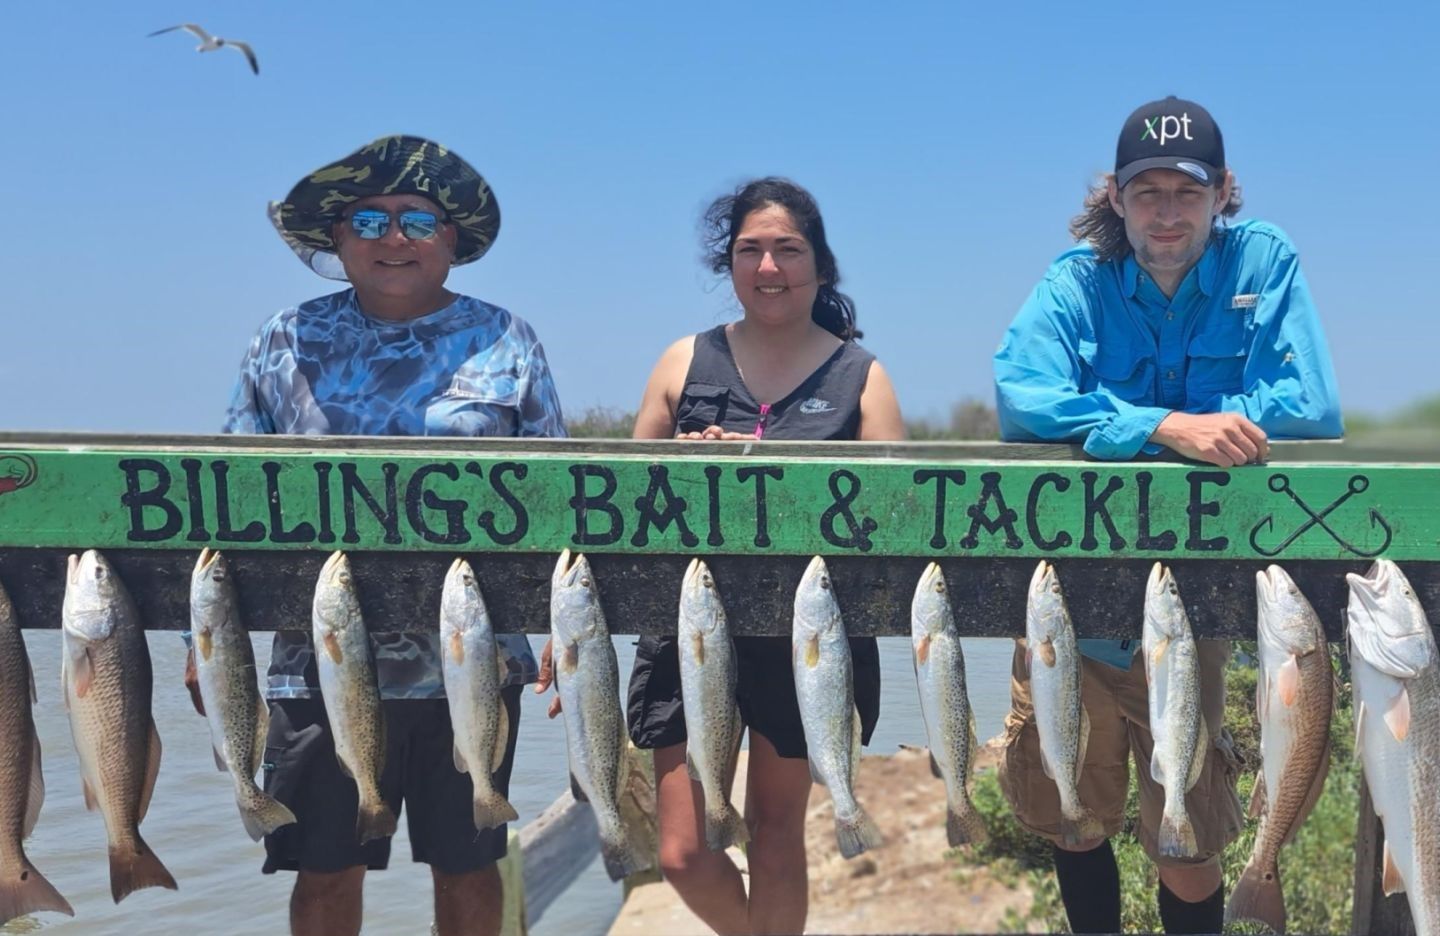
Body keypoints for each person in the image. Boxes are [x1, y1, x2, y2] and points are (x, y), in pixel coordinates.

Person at [184, 135, 566, 936]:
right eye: (369, 220)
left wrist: (562, 627)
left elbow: (556, 499)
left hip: (471, 659)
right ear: (338, 238)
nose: (394, 238)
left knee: (469, 870)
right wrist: (204, 639)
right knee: (323, 874)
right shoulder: (282, 339)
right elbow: (228, 494)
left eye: (417, 221)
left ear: (450, 239)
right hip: (311, 662)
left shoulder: (508, 339)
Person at [992, 97, 1342, 935]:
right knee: (1073, 816)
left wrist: (1133, 425)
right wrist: (1165, 426)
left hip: (1195, 603)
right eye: (1147, 192)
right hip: (1069, 603)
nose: (1167, 213)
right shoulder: (1075, 281)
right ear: (1116, 197)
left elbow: (1310, 404)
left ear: (1222, 192)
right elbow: (1022, 396)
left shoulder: (1263, 259)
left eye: (1187, 192)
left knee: (1186, 838)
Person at [537, 177, 904, 935]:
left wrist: (771, 469)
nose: (769, 267)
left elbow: (893, 524)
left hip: (807, 637)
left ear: (820, 264)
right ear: (728, 264)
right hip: (685, 629)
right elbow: (615, 512)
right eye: (750, 250)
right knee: (682, 852)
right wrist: (568, 630)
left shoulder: (862, 376)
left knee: (774, 838)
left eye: (787, 250)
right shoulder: (683, 361)